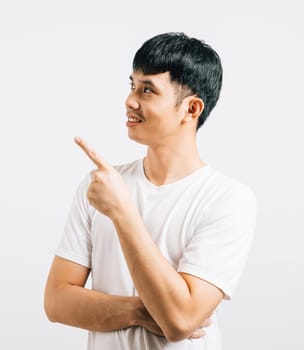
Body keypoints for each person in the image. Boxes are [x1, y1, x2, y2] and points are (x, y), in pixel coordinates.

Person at [44, 32, 257, 350]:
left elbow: (180, 321)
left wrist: (122, 211)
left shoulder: (228, 199)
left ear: (191, 109)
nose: (130, 100)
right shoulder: (101, 184)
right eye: (132, 85)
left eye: (147, 90)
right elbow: (56, 301)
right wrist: (142, 311)